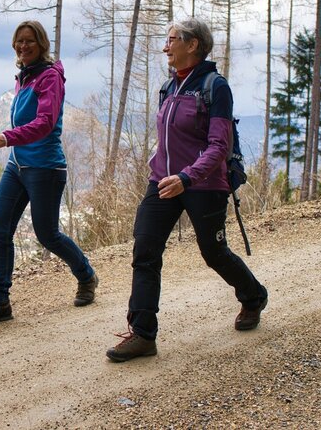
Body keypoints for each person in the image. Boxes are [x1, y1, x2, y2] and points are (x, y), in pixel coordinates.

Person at [106, 18, 268, 362]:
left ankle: (253, 297)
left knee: (214, 253)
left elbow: (219, 145)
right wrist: (161, 166)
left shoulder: (215, 86)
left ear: (192, 45)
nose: (166, 46)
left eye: (171, 40)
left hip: (203, 184)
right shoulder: (169, 87)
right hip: (162, 181)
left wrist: (187, 176)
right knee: (145, 250)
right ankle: (143, 334)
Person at [0, 20, 98, 327]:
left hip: (46, 169)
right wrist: (11, 143)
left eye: (29, 41)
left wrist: (6, 137)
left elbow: (45, 123)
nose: (23, 46)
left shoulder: (50, 77)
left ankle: (87, 276)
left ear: (41, 44)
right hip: (18, 167)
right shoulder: (24, 77)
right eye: (18, 41)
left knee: (47, 234)